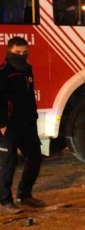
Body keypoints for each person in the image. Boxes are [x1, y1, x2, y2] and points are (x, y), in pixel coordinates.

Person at [0, 36, 44, 214]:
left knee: (35, 158)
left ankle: (24, 195)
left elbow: (29, 97)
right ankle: (5, 200)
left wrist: (34, 118)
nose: (22, 55)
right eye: (18, 52)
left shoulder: (27, 70)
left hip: (28, 124)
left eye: (25, 52)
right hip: (9, 126)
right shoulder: (3, 72)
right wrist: (2, 124)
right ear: (9, 51)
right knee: (8, 163)